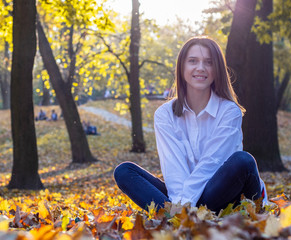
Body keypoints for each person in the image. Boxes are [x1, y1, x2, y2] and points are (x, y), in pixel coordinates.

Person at [113, 36, 267, 214]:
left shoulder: (229, 111)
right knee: (125, 171)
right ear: (182, 67)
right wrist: (181, 207)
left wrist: (183, 208)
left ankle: (175, 219)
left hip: (225, 195)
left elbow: (212, 163)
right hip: (186, 196)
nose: (200, 68)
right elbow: (174, 168)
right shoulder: (165, 115)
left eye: (208, 62)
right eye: (193, 61)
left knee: (244, 160)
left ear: (217, 69)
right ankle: (177, 219)